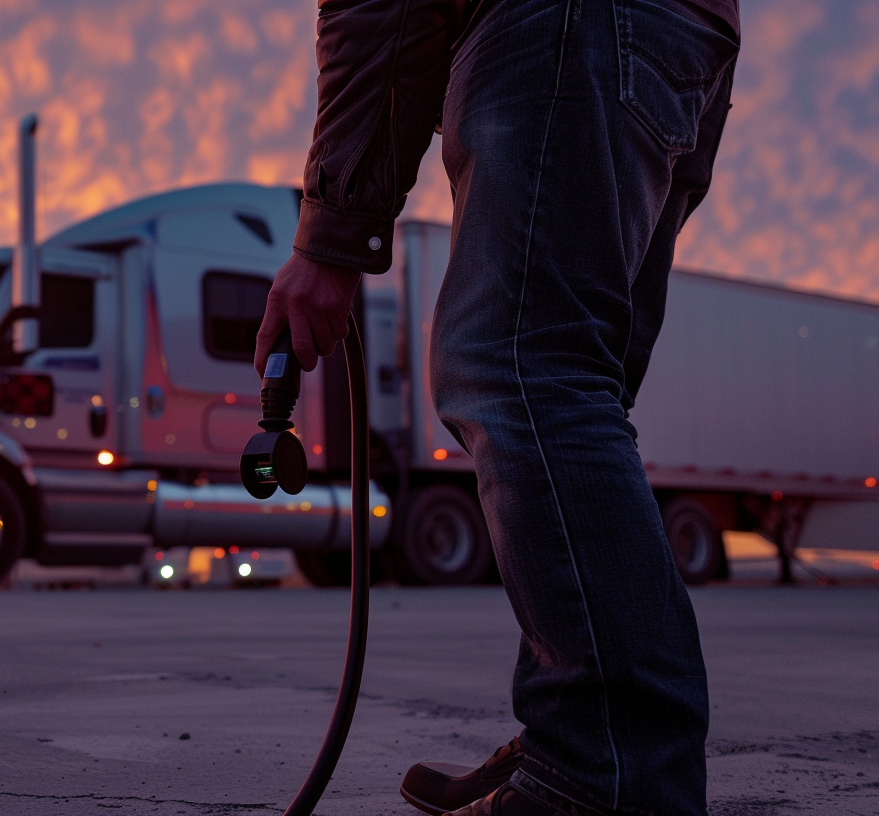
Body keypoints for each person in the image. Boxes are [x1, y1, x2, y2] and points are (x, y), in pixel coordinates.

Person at [253, 1, 740, 813]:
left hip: (573, 20)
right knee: (572, 388)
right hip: (675, 34)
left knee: (519, 364)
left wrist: (330, 236)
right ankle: (582, 742)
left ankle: (599, 778)